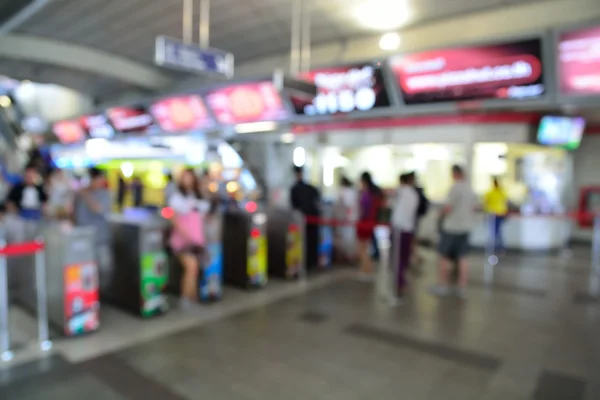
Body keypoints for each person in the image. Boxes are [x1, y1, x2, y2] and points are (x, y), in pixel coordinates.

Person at [430, 165, 477, 298]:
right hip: (465, 228)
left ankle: (441, 285)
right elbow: (473, 209)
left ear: (454, 174)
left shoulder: (455, 188)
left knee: (443, 256)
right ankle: (462, 287)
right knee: (463, 257)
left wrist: (439, 215)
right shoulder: (470, 189)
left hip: (451, 228)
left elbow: (448, 208)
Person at [168, 169, 209, 306]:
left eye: (190, 178)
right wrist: (186, 235)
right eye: (184, 178)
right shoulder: (177, 197)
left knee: (195, 269)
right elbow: (174, 218)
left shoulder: (198, 196)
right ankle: (185, 299)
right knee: (192, 267)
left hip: (197, 239)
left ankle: (192, 298)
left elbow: (204, 216)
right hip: (182, 240)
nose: (187, 180)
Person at [74, 168, 112, 288]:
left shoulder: (105, 194)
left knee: (104, 269)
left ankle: (102, 295)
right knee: (84, 271)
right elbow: (74, 213)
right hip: (83, 239)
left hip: (100, 240)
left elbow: (98, 209)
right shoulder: (80, 195)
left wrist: (86, 195)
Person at [391, 173, 419, 299]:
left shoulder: (401, 192)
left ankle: (400, 283)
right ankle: (402, 281)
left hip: (399, 229)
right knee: (404, 257)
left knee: (398, 259)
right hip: (408, 229)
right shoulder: (414, 194)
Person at [290, 166, 320, 270]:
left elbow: (294, 207)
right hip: (313, 219)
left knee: (303, 242)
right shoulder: (311, 188)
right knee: (311, 241)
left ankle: (305, 264)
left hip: (303, 220)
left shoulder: (294, 189)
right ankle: (312, 263)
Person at [357, 172, 379, 278]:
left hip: (364, 223)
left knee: (362, 249)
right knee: (365, 248)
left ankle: (367, 269)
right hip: (370, 223)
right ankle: (366, 269)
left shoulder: (365, 195)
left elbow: (363, 211)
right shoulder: (372, 194)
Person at [406, 172, 429, 269]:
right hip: (415, 218)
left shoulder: (413, 191)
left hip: (411, 219)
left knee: (411, 239)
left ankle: (413, 257)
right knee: (413, 239)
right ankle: (414, 257)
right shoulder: (418, 190)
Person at [334, 176, 357, 263]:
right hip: (348, 219)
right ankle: (348, 256)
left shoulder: (344, 192)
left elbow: (346, 206)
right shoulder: (352, 192)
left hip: (346, 220)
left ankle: (348, 257)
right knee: (348, 239)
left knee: (346, 239)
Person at [483, 177, 508, 254]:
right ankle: (497, 247)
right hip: (496, 214)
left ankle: (496, 247)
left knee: (495, 231)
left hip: (497, 214)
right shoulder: (495, 192)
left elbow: (486, 203)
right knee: (496, 231)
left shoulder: (496, 192)